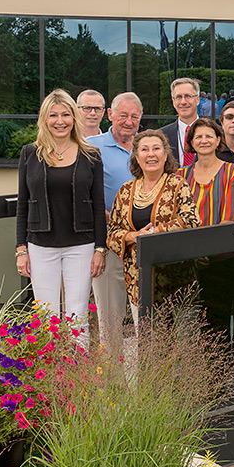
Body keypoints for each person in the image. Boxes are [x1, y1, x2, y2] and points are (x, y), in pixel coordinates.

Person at [16, 89, 106, 344]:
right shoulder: (29, 154)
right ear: (44, 119)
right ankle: (49, 380)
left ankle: (78, 381)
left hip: (81, 245)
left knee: (77, 318)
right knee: (46, 319)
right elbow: (23, 203)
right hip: (41, 246)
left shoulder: (91, 154)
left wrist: (100, 248)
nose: (60, 121)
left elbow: (99, 205)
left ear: (74, 117)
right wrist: (21, 249)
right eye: (53, 115)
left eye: (65, 114)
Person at [106, 130, 199, 324]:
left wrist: (153, 233)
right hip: (137, 277)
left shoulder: (177, 184)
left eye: (156, 149)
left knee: (173, 339)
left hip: (174, 277)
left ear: (165, 155)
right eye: (144, 149)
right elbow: (112, 231)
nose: (151, 154)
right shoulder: (125, 191)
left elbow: (190, 220)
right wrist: (133, 236)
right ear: (136, 157)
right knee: (144, 339)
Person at [179, 118, 234, 347]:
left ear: (218, 140)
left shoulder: (231, 172)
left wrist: (205, 250)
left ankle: (217, 374)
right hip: (186, 262)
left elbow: (230, 219)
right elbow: (177, 219)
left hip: (221, 261)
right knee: (187, 323)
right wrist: (193, 252)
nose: (204, 140)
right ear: (191, 142)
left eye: (209, 136)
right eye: (198, 137)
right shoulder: (180, 176)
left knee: (217, 323)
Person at [87, 92, 143, 348]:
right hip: (110, 241)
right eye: (123, 115)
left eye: (134, 116)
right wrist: (100, 210)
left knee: (146, 319)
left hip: (145, 242)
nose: (129, 121)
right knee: (110, 319)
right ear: (110, 115)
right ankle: (112, 381)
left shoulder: (148, 145)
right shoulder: (91, 146)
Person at [161, 78, 203, 166]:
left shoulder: (215, 133)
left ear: (197, 100)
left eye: (188, 96)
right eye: (178, 97)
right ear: (173, 102)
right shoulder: (161, 135)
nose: (183, 102)